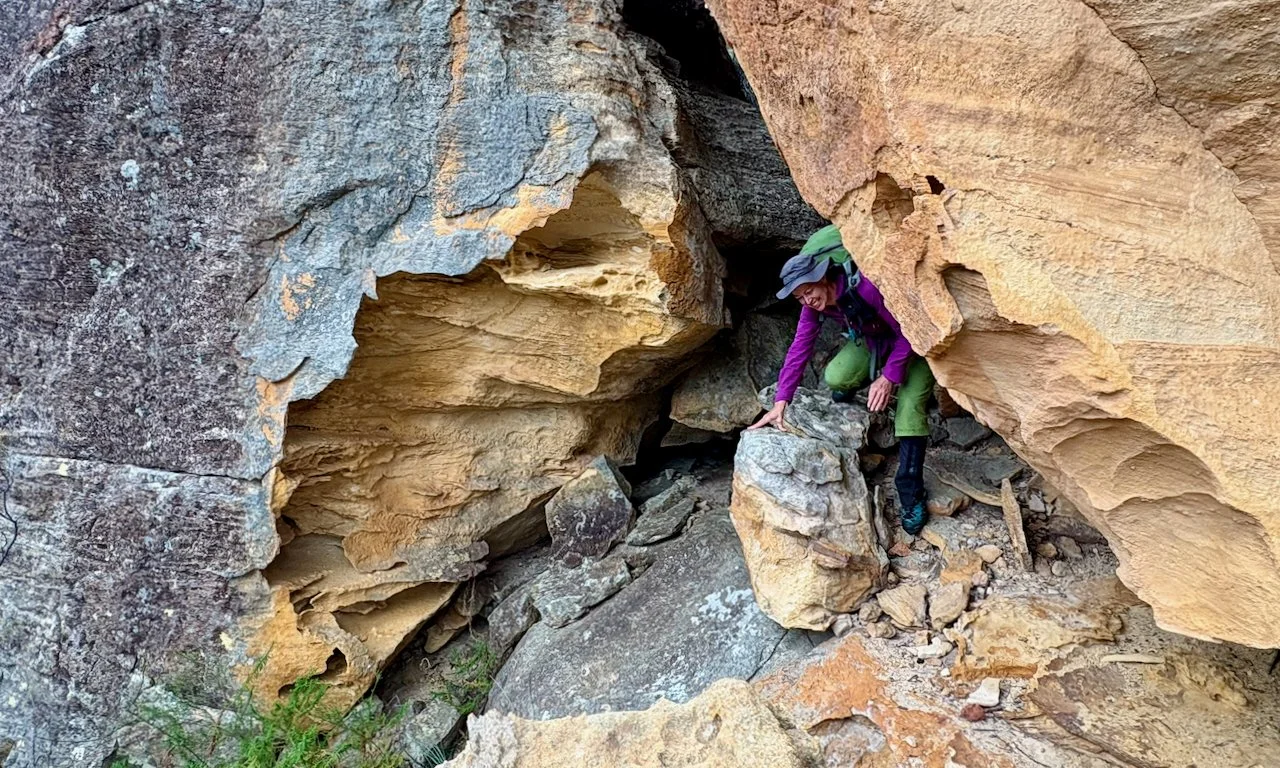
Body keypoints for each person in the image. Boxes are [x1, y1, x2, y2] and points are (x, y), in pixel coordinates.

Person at [748, 225, 936, 535]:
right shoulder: (813, 303)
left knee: (908, 411)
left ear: (823, 277)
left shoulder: (866, 288)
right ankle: (861, 386)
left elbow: (910, 327)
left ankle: (911, 493)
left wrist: (889, 377)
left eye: (809, 291)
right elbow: (800, 346)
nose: (807, 300)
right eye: (799, 297)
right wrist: (781, 400)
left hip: (913, 341)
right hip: (875, 339)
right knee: (836, 377)